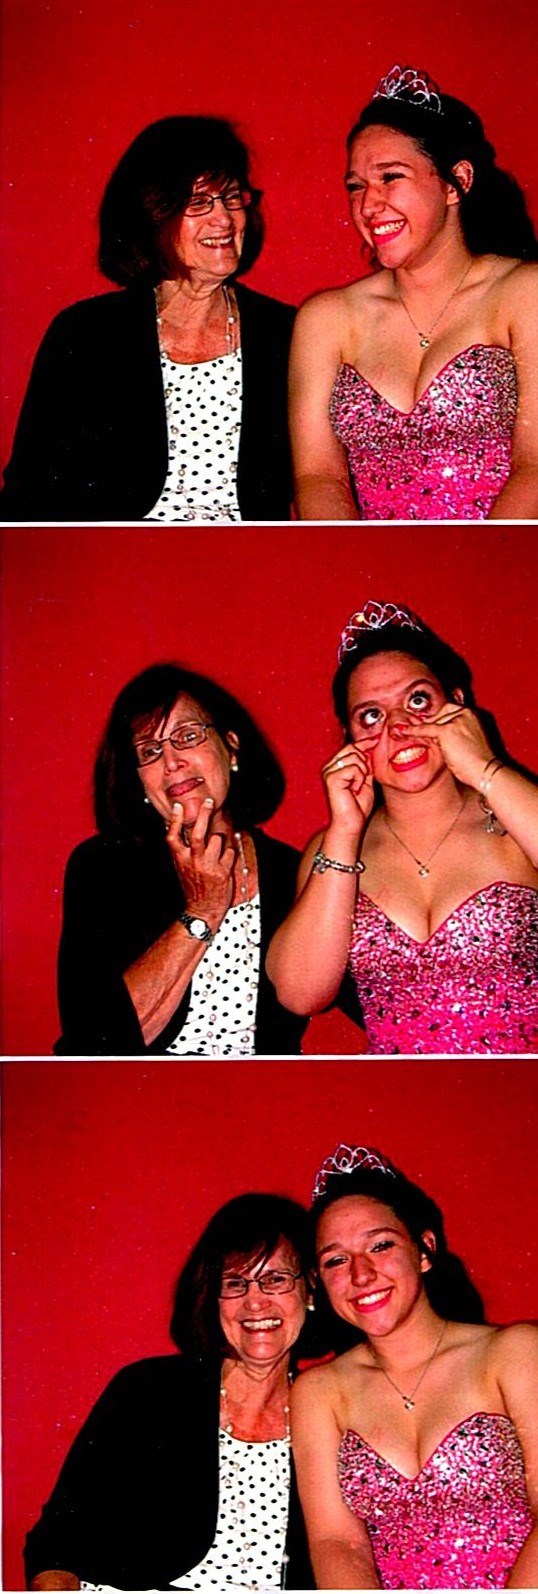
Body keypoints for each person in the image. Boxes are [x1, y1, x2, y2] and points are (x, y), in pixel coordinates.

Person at [266, 600, 538, 1054]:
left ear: (457, 705)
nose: (399, 728)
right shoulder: (333, 848)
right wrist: (345, 832)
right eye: (370, 715)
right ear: (350, 740)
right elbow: (300, 994)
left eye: (417, 700)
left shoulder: (516, 816)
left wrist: (483, 769)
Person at [1, 117, 294, 522]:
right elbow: (29, 494)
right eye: (198, 203)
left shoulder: (287, 333)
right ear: (153, 214)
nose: (224, 219)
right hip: (120, 565)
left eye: (230, 198)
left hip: (251, 564)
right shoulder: (85, 335)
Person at [25, 1193, 315, 1591]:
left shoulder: (331, 1408)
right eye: (234, 1282)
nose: (254, 1302)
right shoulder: (148, 1392)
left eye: (276, 1279)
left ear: (311, 1290)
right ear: (212, 1297)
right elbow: (54, 1548)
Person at [290, 64, 538, 520]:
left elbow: (536, 468)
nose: (368, 204)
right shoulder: (327, 317)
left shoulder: (524, 292)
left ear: (456, 182)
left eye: (391, 177)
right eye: (356, 186)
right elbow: (318, 478)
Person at [291, 1144, 538, 1590]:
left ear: (424, 1250)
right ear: (319, 1282)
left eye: (380, 1245)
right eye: (336, 1260)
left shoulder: (516, 1353)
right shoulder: (319, 1392)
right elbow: (336, 1543)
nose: (361, 1275)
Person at [56, 663, 311, 1055]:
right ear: (139, 780)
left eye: (188, 736)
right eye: (149, 751)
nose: (171, 761)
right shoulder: (101, 868)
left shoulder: (292, 872)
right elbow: (95, 1040)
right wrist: (204, 909)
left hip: (261, 1102)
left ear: (232, 746)